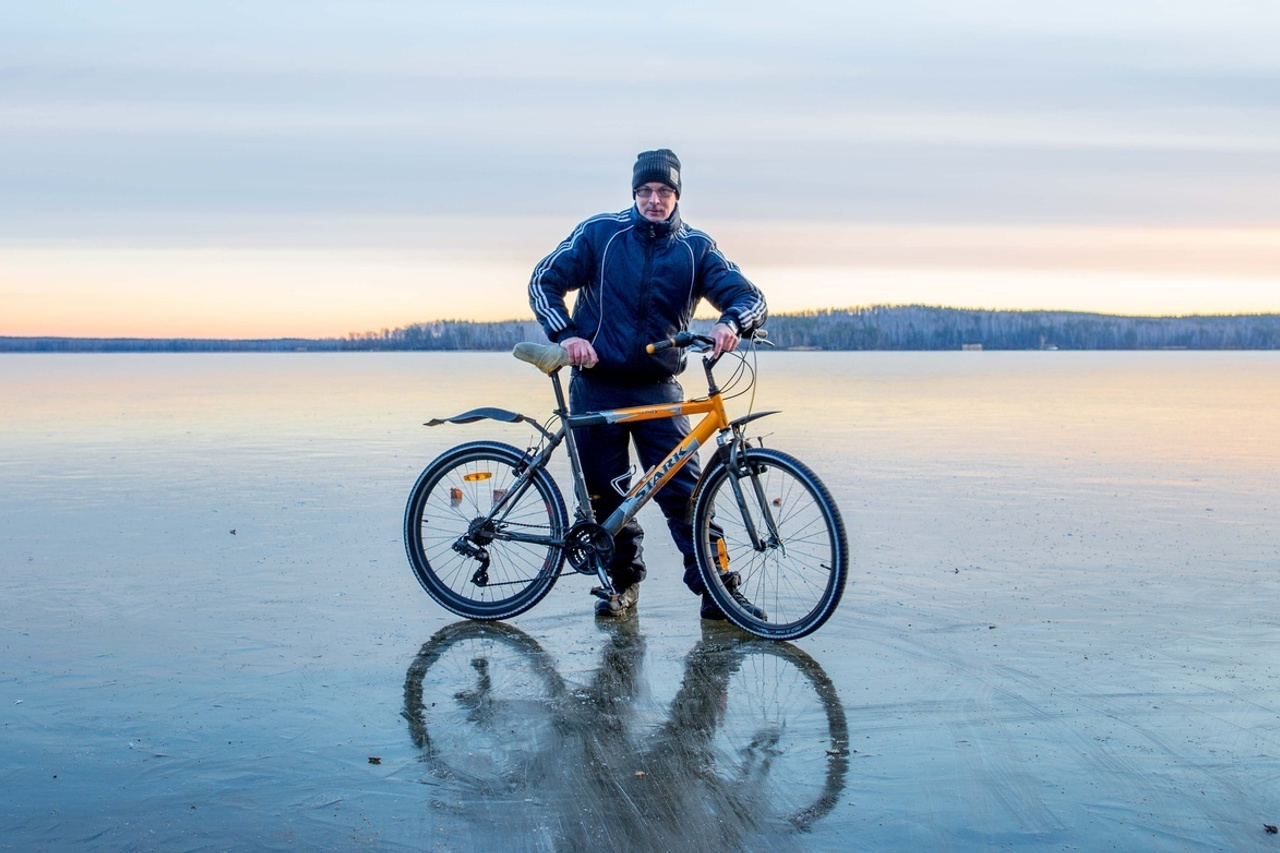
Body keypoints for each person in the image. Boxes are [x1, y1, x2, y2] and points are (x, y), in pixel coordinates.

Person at [528, 148, 768, 620]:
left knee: (689, 496)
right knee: (606, 498)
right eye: (646, 191)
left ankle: (716, 592)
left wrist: (732, 324)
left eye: (664, 192)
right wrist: (567, 335)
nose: (654, 200)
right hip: (597, 384)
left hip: (660, 388)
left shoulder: (695, 248)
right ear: (634, 193)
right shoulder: (601, 234)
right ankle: (622, 586)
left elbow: (749, 295)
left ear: (677, 195)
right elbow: (543, 280)